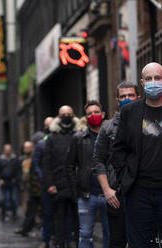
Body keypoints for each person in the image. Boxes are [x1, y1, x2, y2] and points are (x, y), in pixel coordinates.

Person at [110, 62, 162, 247]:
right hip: (138, 191)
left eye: (158, 77)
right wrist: (125, 178)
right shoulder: (129, 112)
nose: (153, 82)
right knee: (140, 243)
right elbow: (118, 149)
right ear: (142, 82)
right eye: (149, 78)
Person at [94, 82, 139, 248]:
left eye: (130, 95)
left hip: (143, 190)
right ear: (117, 100)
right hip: (116, 193)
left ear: (138, 97)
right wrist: (107, 191)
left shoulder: (148, 122)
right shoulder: (107, 127)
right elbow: (98, 160)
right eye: (123, 96)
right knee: (117, 241)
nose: (127, 99)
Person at [67, 100, 109, 248]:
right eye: (89, 113)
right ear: (85, 117)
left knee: (110, 234)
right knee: (85, 235)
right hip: (86, 195)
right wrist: (76, 191)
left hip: (109, 194)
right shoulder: (78, 138)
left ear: (103, 114)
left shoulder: (111, 135)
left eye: (96, 112)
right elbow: (70, 166)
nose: (93, 115)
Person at [43, 106, 84, 248]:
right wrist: (50, 184)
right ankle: (60, 243)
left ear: (73, 116)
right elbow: (46, 163)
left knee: (78, 219)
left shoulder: (80, 135)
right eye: (63, 114)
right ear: (58, 117)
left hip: (77, 184)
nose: (66, 116)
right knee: (59, 219)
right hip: (58, 184)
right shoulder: (52, 138)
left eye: (69, 114)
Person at [31, 117, 54, 248]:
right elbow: (36, 164)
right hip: (47, 184)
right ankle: (46, 239)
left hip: (61, 182)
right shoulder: (41, 143)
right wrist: (43, 178)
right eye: (47, 125)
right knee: (47, 212)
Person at [0, 144, 21, 221]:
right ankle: (4, 214)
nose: (7, 151)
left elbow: (18, 170)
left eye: (8, 149)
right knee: (4, 199)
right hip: (4, 181)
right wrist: (0, 179)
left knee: (14, 199)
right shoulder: (1, 159)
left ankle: (14, 214)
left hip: (12, 181)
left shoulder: (15, 159)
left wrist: (16, 178)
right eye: (6, 149)